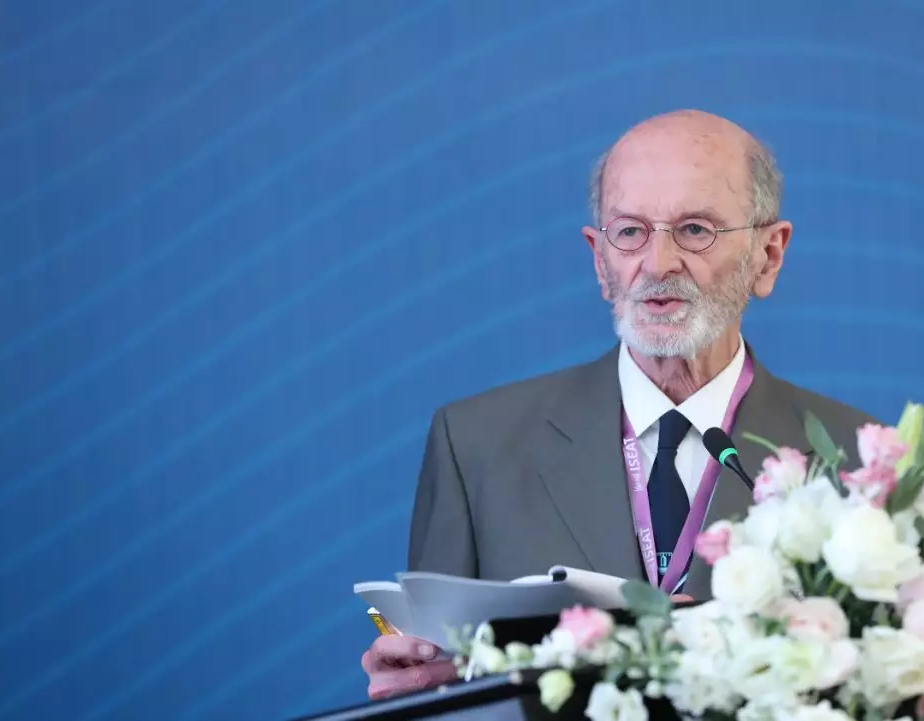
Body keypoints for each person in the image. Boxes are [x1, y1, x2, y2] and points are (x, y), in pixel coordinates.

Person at [361, 109, 878, 699]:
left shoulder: (860, 467)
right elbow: (436, 683)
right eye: (630, 232)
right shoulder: (476, 446)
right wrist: (414, 685)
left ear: (769, 254)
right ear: (599, 259)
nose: (657, 264)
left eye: (695, 230)